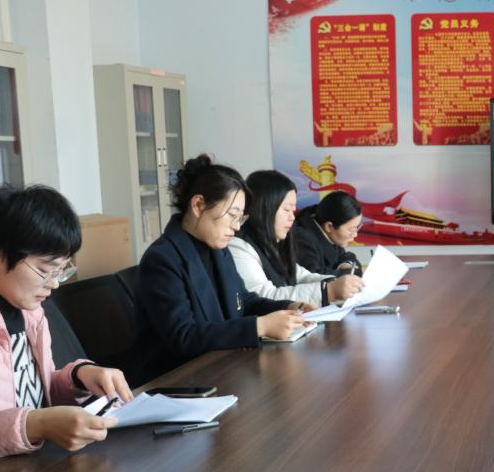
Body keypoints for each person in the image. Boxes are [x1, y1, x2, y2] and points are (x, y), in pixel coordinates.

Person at [0, 185, 132, 459]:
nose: (54, 284)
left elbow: (34, 395)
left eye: (61, 270)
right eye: (45, 270)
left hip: (33, 467)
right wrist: (36, 424)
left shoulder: (28, 307)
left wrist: (79, 376)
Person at [131, 155, 308, 385]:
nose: (236, 226)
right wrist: (261, 326)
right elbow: (184, 336)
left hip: (221, 369)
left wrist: (289, 307)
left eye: (240, 218)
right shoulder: (162, 260)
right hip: (176, 382)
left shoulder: (218, 250)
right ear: (198, 205)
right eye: (232, 216)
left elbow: (244, 302)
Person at [229, 170, 364, 307]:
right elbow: (263, 296)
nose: (292, 217)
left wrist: (339, 283)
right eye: (287, 210)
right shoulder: (238, 246)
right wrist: (328, 291)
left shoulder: (274, 242)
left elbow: (301, 276)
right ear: (265, 208)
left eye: (293, 211)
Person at [293, 190, 365, 278]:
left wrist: (345, 264)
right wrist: (349, 273)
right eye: (351, 230)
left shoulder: (330, 232)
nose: (355, 234)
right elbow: (313, 277)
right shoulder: (302, 239)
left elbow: (345, 256)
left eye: (357, 227)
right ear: (329, 226)